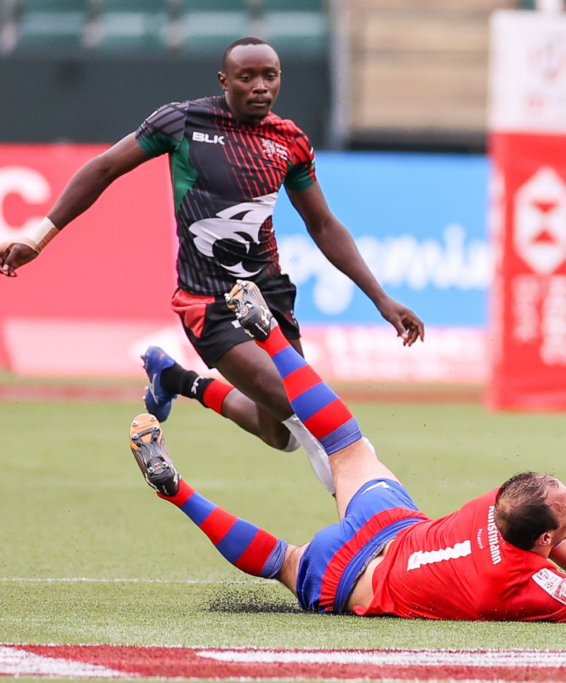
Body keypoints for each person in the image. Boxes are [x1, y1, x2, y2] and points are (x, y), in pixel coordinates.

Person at [126, 279, 566, 625]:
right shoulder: (524, 578)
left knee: (340, 439)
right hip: (359, 579)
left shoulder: (503, 505)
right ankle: (174, 488)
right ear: (541, 540)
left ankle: (268, 344)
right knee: (283, 560)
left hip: (392, 524)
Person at [0, 38, 423, 493]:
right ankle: (374, 514)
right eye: (247, 77)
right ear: (224, 81)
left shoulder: (290, 141)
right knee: (304, 406)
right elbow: (102, 169)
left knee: (280, 434)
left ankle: (179, 380)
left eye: (271, 76)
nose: (261, 87)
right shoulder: (181, 122)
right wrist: (38, 237)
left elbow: (322, 224)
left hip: (268, 297)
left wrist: (380, 298)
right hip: (209, 303)